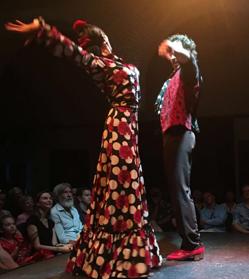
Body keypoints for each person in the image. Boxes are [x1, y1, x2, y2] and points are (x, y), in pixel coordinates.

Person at [5, 17, 163, 277]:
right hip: (119, 128)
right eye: (102, 40)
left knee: (129, 185)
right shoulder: (99, 64)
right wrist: (44, 31)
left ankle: (132, 255)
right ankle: (121, 257)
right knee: (120, 185)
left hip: (129, 129)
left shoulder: (117, 62)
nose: (106, 42)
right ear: (100, 44)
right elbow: (74, 53)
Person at [155, 34, 204, 260]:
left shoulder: (188, 70)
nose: (173, 56)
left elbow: (187, 58)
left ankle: (192, 244)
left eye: (177, 52)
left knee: (181, 190)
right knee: (176, 190)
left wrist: (173, 46)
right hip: (170, 134)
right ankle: (190, 243)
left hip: (182, 132)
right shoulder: (171, 78)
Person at [26, 191, 72, 258]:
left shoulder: (50, 222)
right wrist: (59, 249)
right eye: (45, 198)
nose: (49, 200)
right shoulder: (32, 220)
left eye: (50, 198)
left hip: (51, 252)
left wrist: (66, 246)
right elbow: (37, 246)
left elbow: (54, 243)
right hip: (39, 255)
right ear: (38, 203)